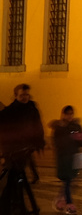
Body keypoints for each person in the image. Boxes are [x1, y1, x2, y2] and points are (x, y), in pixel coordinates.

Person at [1, 84, 46, 214]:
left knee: (17, 179)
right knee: (15, 180)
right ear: (15, 96)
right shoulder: (8, 112)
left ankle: (14, 206)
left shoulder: (32, 109)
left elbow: (38, 127)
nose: (25, 97)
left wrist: (39, 143)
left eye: (26, 95)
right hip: (12, 151)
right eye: (21, 95)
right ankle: (16, 206)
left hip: (25, 150)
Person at [49, 106, 82, 215]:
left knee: (70, 181)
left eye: (71, 114)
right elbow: (56, 142)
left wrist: (79, 138)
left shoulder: (76, 126)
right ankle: (69, 204)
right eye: (67, 114)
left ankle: (60, 199)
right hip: (63, 157)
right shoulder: (59, 128)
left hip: (74, 156)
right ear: (63, 114)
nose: (70, 116)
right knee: (68, 180)